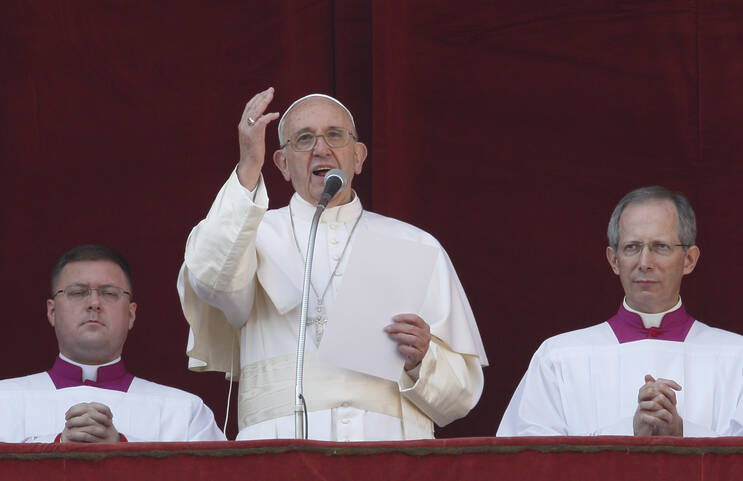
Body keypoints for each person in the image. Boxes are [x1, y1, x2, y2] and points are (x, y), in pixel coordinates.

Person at [178, 87, 488, 441]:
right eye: (304, 138)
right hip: (279, 451)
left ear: (358, 157)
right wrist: (248, 166)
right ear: (281, 163)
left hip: (389, 451)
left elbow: (462, 395)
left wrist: (422, 361)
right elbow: (209, 279)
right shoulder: (249, 235)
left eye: (335, 135)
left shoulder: (415, 244)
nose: (321, 149)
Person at [497, 186, 743, 437]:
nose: (645, 263)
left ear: (689, 259)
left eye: (660, 246)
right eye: (632, 247)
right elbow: (529, 463)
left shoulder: (741, 359)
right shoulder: (558, 358)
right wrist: (630, 432)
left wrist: (682, 433)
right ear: (614, 259)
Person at [0, 244, 225, 443]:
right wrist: (57, 445)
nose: (94, 303)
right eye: (78, 292)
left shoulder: (184, 412)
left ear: (130, 314)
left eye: (109, 293)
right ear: (52, 311)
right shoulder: (5, 401)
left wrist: (121, 448)